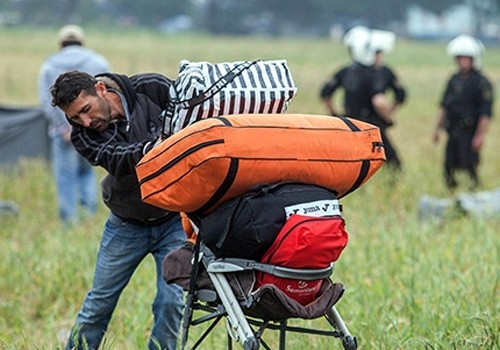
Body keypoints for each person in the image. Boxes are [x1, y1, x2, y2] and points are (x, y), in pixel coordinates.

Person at [51, 70, 186, 350]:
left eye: (86, 110)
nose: (85, 122)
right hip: (126, 225)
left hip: (173, 220)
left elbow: (187, 116)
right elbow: (119, 160)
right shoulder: (82, 136)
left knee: (172, 302)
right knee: (98, 305)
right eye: (75, 117)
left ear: (100, 88)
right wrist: (162, 144)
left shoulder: (153, 88)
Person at [38, 24, 111, 224]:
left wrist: (64, 128)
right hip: (93, 131)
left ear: (61, 44)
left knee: (65, 177)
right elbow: (110, 92)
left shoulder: (49, 65)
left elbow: (46, 101)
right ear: (81, 41)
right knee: (87, 172)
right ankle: (89, 215)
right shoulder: (97, 61)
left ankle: (69, 220)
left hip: (61, 135)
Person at [320, 26, 406, 170]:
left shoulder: (346, 71)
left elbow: (325, 93)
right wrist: (388, 117)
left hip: (350, 125)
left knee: (349, 164)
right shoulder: (377, 73)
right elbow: (380, 101)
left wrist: (336, 115)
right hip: (372, 127)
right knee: (392, 164)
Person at [433, 35, 494, 191]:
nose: (462, 61)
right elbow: (444, 105)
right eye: (460, 58)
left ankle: (474, 196)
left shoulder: (482, 83)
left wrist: (479, 136)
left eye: (466, 58)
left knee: (469, 167)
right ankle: (452, 195)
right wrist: (437, 129)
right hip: (453, 131)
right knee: (449, 167)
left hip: (469, 132)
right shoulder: (453, 80)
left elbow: (485, 113)